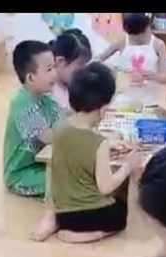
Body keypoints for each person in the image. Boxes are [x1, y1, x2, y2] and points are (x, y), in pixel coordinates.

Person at [33, 62, 142, 244]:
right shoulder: (98, 142)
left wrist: (107, 149)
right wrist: (127, 166)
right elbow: (106, 187)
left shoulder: (59, 128)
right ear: (103, 110)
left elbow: (75, 153)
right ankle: (91, 234)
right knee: (122, 211)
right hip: (89, 216)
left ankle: (56, 222)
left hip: (63, 212)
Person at [3, 40, 61, 199]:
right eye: (49, 69)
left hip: (44, 166)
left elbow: (63, 123)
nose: (55, 73)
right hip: (22, 174)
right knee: (72, 181)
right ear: (30, 77)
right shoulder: (22, 104)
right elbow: (47, 136)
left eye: (54, 67)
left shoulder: (48, 100)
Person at [95, 13, 166, 109]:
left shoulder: (158, 45)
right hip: (123, 99)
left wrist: (153, 77)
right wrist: (115, 73)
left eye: (141, 35)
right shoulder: (122, 41)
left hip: (149, 100)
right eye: (134, 36)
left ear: (148, 28)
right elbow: (98, 60)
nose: (138, 39)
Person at [50, 28, 92, 115]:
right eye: (81, 64)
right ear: (61, 61)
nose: (84, 70)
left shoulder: (71, 85)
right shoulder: (48, 94)